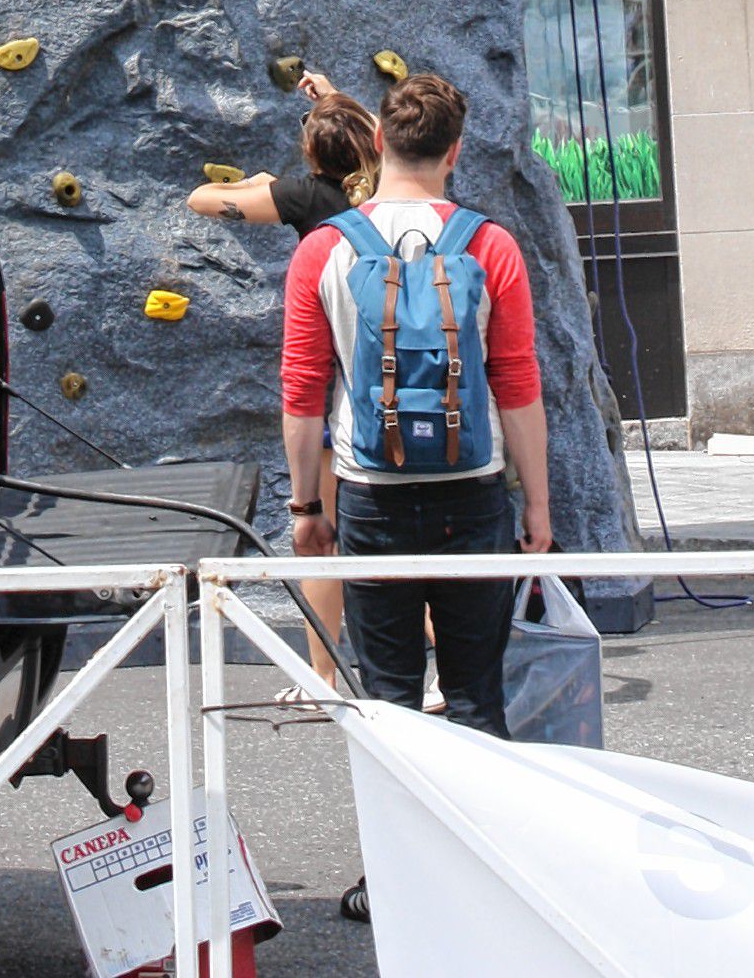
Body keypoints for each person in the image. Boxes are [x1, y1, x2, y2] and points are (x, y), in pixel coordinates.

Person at [280, 69, 550, 747]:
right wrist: (538, 508)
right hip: (473, 490)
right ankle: (477, 853)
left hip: (373, 496)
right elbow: (517, 384)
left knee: (390, 704)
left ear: (377, 141)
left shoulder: (324, 249)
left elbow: (302, 390)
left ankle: (398, 856)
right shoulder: (492, 247)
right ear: (454, 152)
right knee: (476, 700)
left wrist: (308, 507)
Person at [188, 70, 379, 688]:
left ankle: (325, 677)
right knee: (399, 536)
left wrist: (261, 185)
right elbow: (377, 137)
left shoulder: (306, 199)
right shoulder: (386, 192)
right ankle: (453, 658)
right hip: (391, 390)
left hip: (332, 396)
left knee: (324, 541)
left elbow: (202, 200)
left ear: (315, 156)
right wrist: (331, 102)